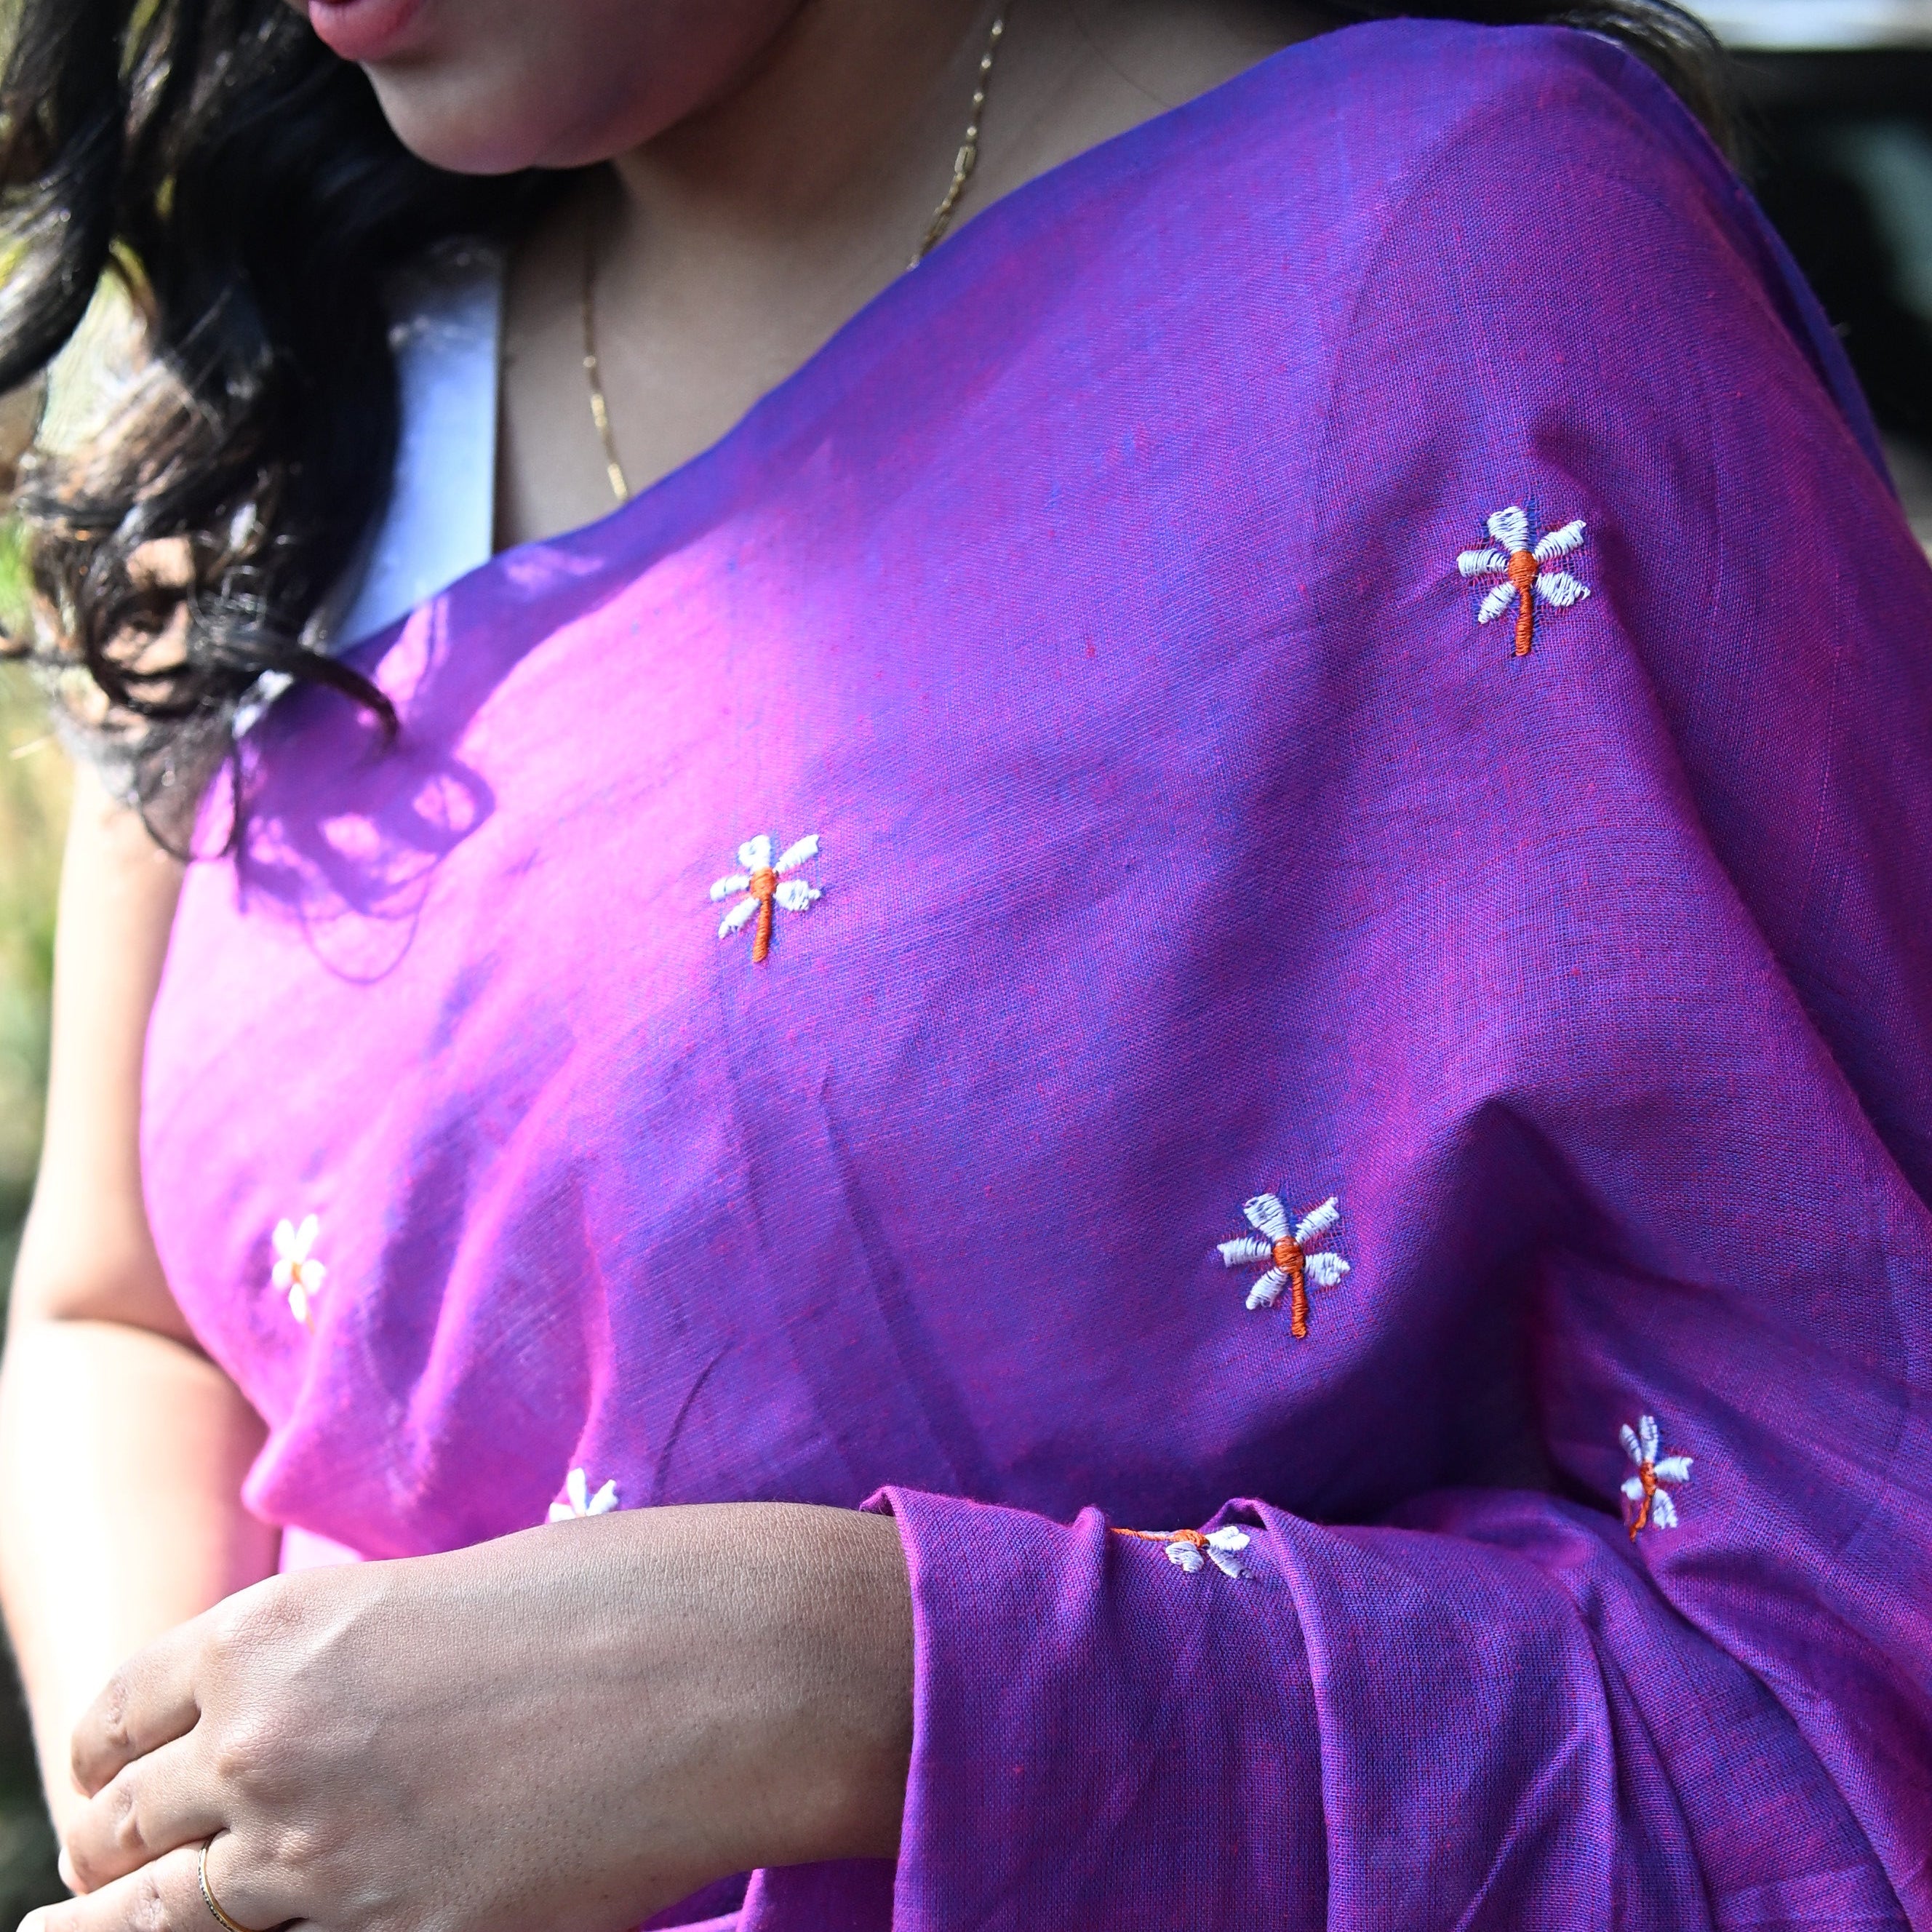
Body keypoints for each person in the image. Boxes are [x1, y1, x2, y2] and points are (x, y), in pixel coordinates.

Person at [1, 0, 1928, 1925]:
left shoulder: (1463, 264)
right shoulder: (295, 399)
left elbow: (1848, 1640)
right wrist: (197, 1831)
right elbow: (122, 1308)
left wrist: (850, 1689)